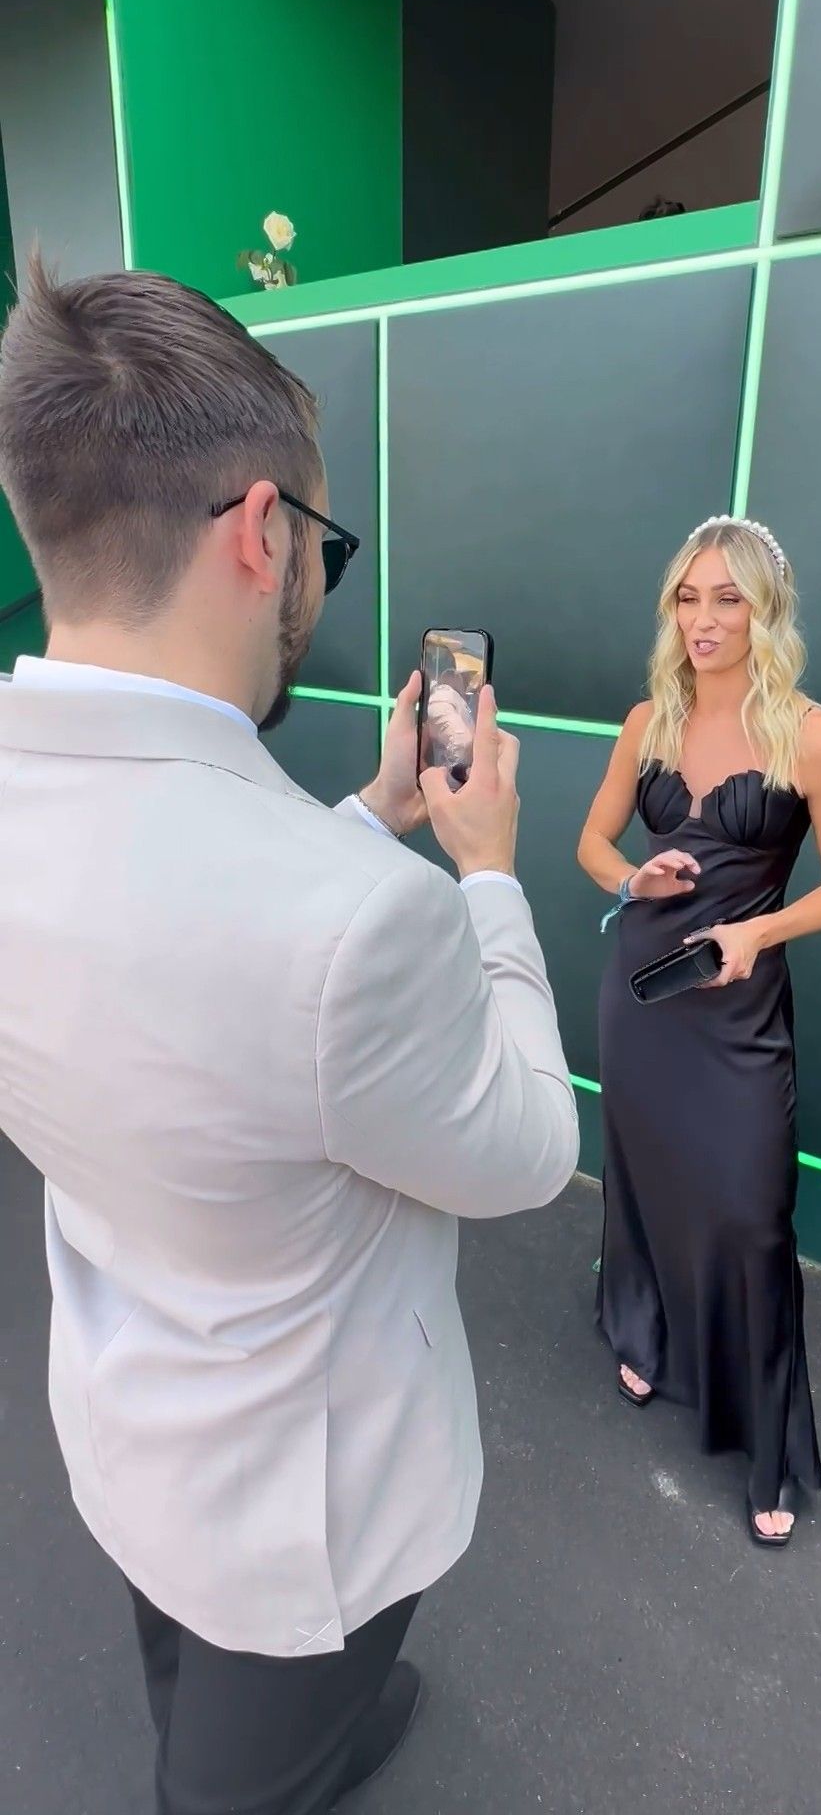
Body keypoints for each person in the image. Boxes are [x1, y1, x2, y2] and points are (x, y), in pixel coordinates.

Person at [0, 257, 578, 1815]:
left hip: (122, 1416)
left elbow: (174, 919)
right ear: (260, 532)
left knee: (180, 1670)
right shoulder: (358, 925)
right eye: (322, 541)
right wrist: (486, 876)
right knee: (230, 1785)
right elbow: (531, 1150)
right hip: (296, 1508)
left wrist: (372, 813)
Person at [578, 514, 821, 1548]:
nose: (704, 619)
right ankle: (644, 1327)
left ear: (765, 610)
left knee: (750, 1215)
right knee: (648, 1173)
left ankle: (769, 1450)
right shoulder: (646, 721)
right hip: (645, 997)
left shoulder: (816, 737)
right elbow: (593, 842)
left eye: (728, 598)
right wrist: (635, 877)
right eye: (689, 598)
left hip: (739, 1009)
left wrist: (758, 931)